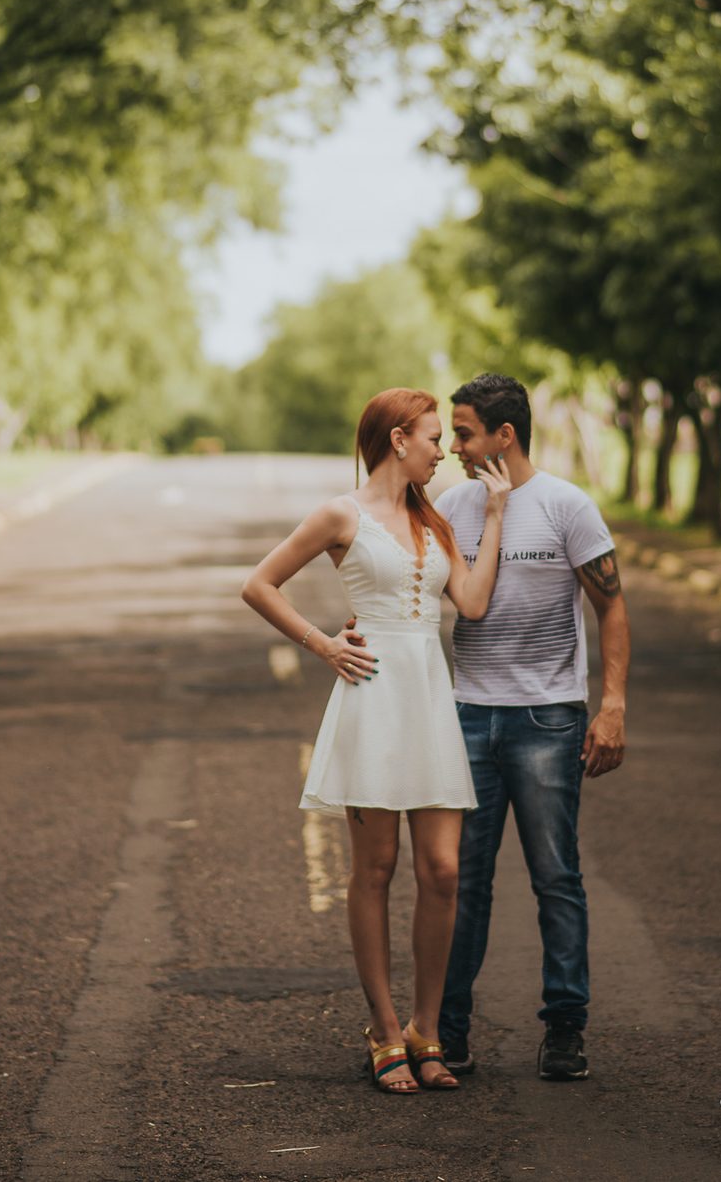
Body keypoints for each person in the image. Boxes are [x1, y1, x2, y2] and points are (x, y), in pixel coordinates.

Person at [241, 387, 511, 1094]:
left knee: (444, 870)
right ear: (397, 439)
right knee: (377, 868)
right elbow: (260, 584)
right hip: (373, 693)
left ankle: (428, 1029)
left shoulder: (438, 519)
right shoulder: (342, 514)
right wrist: (323, 645)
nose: (443, 448)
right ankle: (385, 1030)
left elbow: (474, 603)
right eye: (432, 437)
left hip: (429, 695)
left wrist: (499, 513)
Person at [435, 373, 630, 1082]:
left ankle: (566, 1028)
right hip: (467, 715)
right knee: (461, 881)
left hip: (548, 719)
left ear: (503, 435)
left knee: (556, 877)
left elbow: (610, 605)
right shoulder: (450, 505)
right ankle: (447, 1033)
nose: (454, 447)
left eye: (463, 432)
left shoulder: (567, 507)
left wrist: (612, 706)